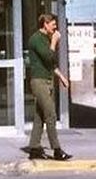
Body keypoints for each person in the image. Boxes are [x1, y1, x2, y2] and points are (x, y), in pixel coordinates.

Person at [27, 13, 72, 161]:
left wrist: (62, 77)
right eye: (53, 24)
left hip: (46, 80)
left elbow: (50, 64)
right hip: (39, 81)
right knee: (51, 114)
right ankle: (57, 150)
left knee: (40, 116)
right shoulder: (36, 39)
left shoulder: (45, 39)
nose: (55, 26)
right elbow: (48, 56)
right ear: (45, 24)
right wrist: (53, 42)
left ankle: (34, 148)